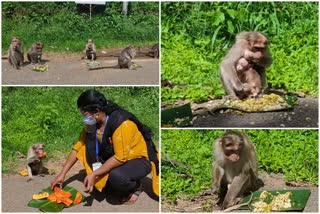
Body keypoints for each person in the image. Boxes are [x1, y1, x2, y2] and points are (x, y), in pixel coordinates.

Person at [51, 89, 159, 204]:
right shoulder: (92, 124)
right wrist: (62, 174)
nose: (84, 118)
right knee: (104, 182)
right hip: (116, 156)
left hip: (138, 159)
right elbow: (78, 147)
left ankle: (135, 186)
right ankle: (112, 178)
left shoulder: (122, 124)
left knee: (117, 178)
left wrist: (94, 174)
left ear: (96, 111)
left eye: (85, 114)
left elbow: (120, 157)